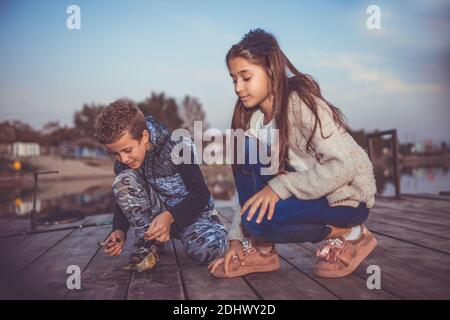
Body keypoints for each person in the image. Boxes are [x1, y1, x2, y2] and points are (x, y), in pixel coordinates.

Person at [208, 28, 378, 279]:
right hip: (307, 197)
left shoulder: (301, 105)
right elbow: (250, 197)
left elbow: (343, 167)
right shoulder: (254, 122)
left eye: (245, 77)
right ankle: (262, 250)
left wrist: (281, 186)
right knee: (243, 151)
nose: (238, 87)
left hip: (345, 200)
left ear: (271, 72)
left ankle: (351, 232)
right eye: (234, 79)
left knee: (257, 224)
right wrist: (235, 240)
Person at [94, 99, 228, 272]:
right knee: (123, 180)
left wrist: (169, 217)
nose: (123, 159)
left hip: (192, 214)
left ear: (144, 137)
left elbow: (200, 195)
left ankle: (218, 231)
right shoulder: (124, 161)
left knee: (206, 252)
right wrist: (119, 230)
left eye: (127, 150)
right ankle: (150, 241)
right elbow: (125, 195)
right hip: (157, 216)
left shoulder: (178, 145)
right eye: (116, 154)